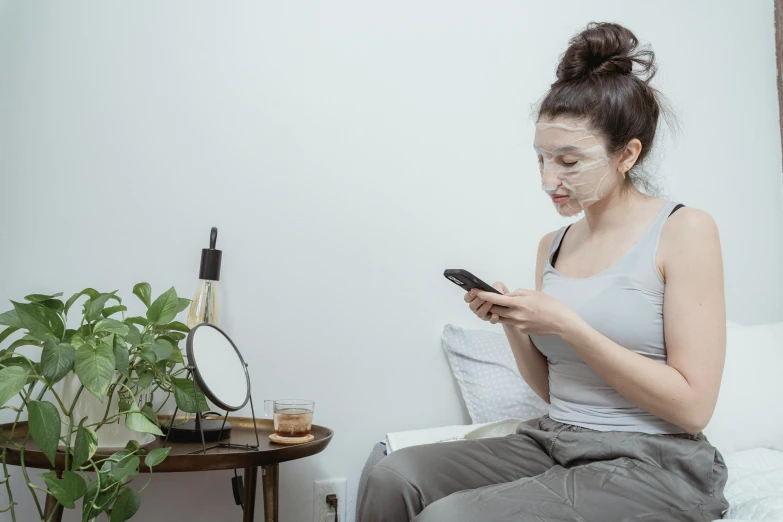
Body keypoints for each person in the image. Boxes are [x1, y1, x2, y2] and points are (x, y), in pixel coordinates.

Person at [358, 22, 729, 522]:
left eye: (570, 161)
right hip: (556, 438)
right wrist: (516, 322)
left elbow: (692, 408)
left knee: (453, 517)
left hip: (655, 461)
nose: (549, 180)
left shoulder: (684, 230)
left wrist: (570, 326)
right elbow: (556, 390)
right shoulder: (552, 247)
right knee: (392, 476)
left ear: (628, 154)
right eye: (542, 159)